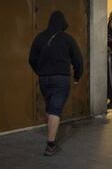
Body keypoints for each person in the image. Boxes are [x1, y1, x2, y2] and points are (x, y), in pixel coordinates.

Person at [29, 10, 83, 156]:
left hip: (44, 78)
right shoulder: (67, 39)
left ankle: (50, 134)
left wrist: (40, 72)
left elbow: (32, 58)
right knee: (55, 110)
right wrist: (78, 76)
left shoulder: (40, 37)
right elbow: (78, 59)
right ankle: (51, 144)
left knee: (50, 107)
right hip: (61, 78)